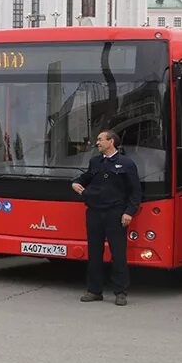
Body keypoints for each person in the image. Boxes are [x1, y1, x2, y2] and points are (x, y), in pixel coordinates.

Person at [71, 130, 141, 306]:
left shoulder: (126, 163)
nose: (97, 143)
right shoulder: (95, 162)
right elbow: (87, 177)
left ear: (111, 142)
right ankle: (94, 291)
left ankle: (120, 292)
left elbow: (135, 191)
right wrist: (76, 183)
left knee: (118, 253)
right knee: (94, 253)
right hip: (94, 212)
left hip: (115, 213)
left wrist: (129, 212)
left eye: (100, 140)